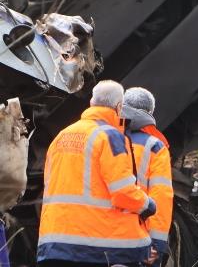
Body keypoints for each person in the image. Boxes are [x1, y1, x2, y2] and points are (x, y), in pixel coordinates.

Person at [38, 80, 157, 266]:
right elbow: (122, 192)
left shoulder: (62, 135)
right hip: (94, 246)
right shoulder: (110, 136)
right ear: (119, 107)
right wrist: (148, 204)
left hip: (54, 243)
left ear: (92, 103)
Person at [123, 87, 173, 266]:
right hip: (137, 238)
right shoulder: (155, 146)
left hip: (101, 237)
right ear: (150, 113)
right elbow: (161, 198)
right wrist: (156, 244)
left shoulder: (100, 138)